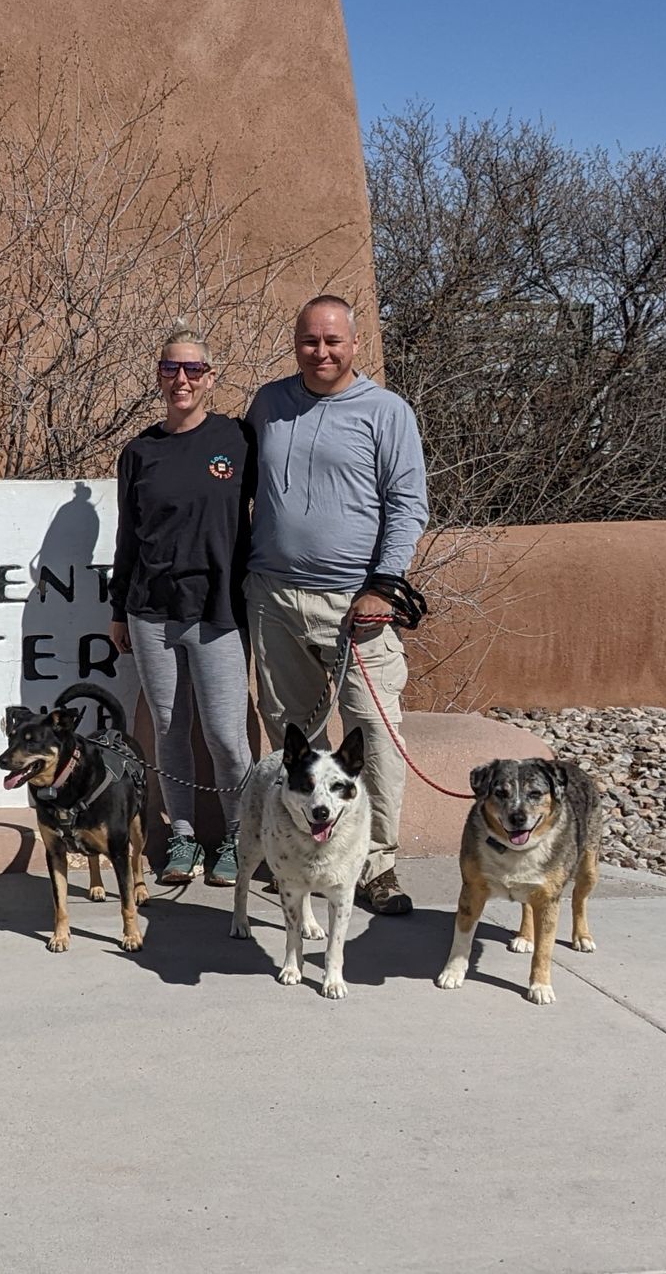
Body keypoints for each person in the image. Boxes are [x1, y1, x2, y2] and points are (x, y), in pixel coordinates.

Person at [244, 295, 428, 915]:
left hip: (357, 605)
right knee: (290, 732)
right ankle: (296, 856)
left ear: (355, 344)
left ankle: (375, 864)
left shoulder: (386, 412)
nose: (321, 352)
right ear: (295, 343)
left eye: (333, 341)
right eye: (309, 341)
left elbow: (407, 506)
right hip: (272, 595)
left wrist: (383, 585)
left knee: (373, 733)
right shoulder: (269, 404)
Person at [109, 323, 257, 886]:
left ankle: (240, 836)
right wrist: (119, 609)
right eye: (171, 369)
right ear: (158, 377)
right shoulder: (139, 452)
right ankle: (185, 836)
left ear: (211, 377)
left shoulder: (239, 440)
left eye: (193, 369)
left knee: (224, 732)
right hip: (151, 610)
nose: (182, 380)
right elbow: (128, 535)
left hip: (218, 609)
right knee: (169, 725)